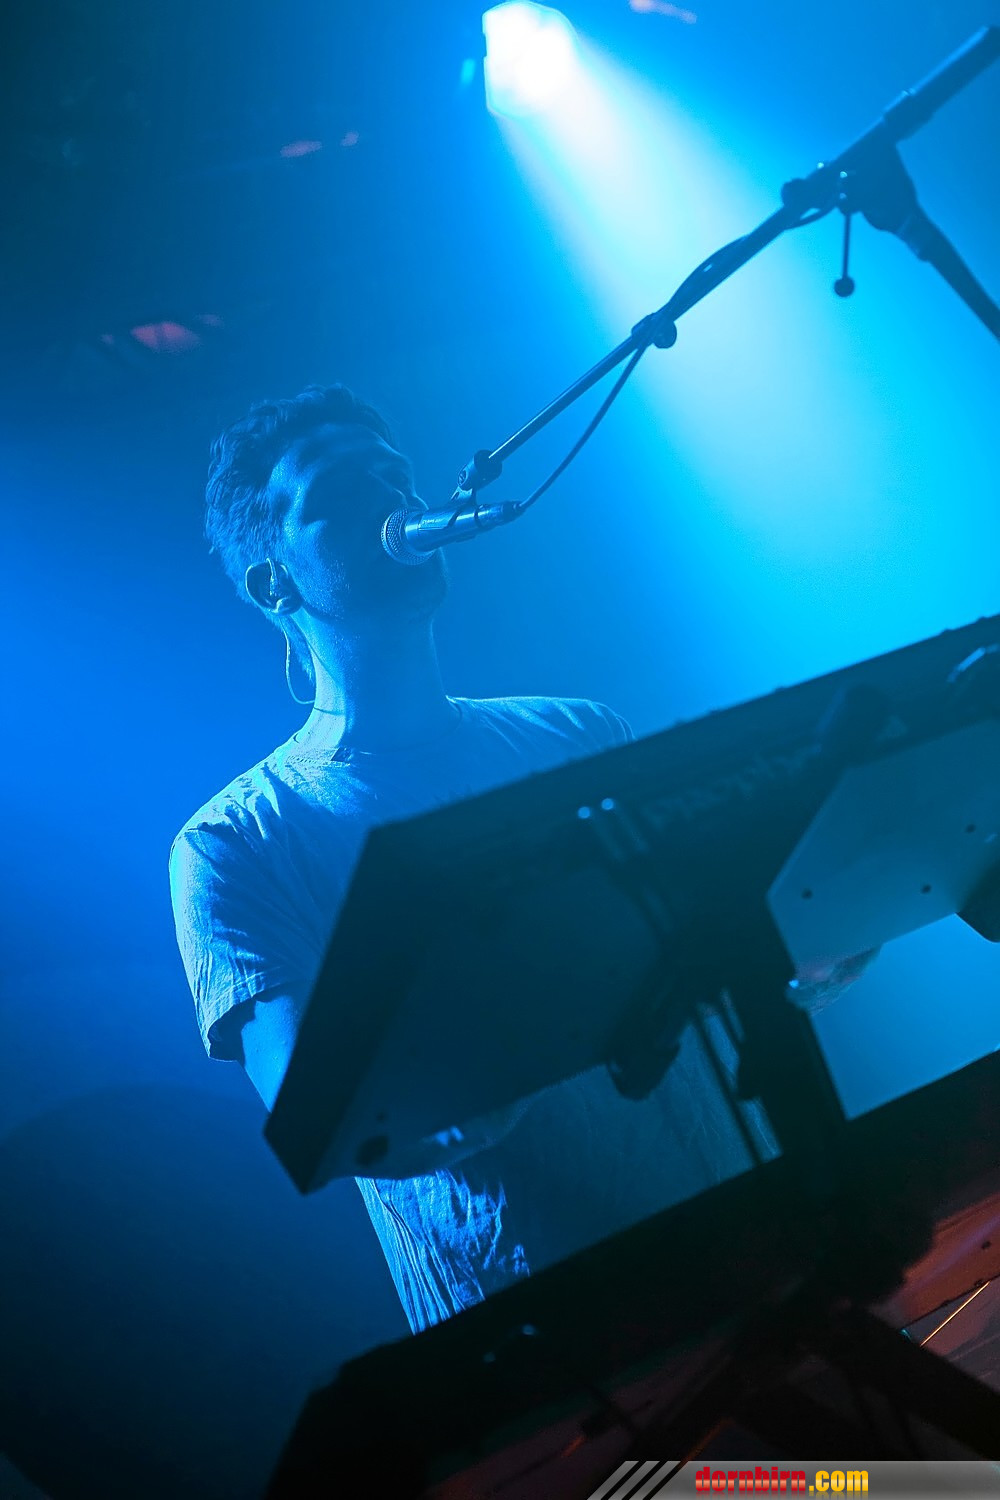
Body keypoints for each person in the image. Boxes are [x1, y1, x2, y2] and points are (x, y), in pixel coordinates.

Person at [169, 383, 779, 1335]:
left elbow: (728, 952)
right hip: (552, 1340)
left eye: (394, 474)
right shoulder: (234, 843)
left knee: (865, 1444)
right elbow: (314, 1115)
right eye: (341, 492)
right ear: (273, 582)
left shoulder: (579, 733)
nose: (390, 497)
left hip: (762, 1247)